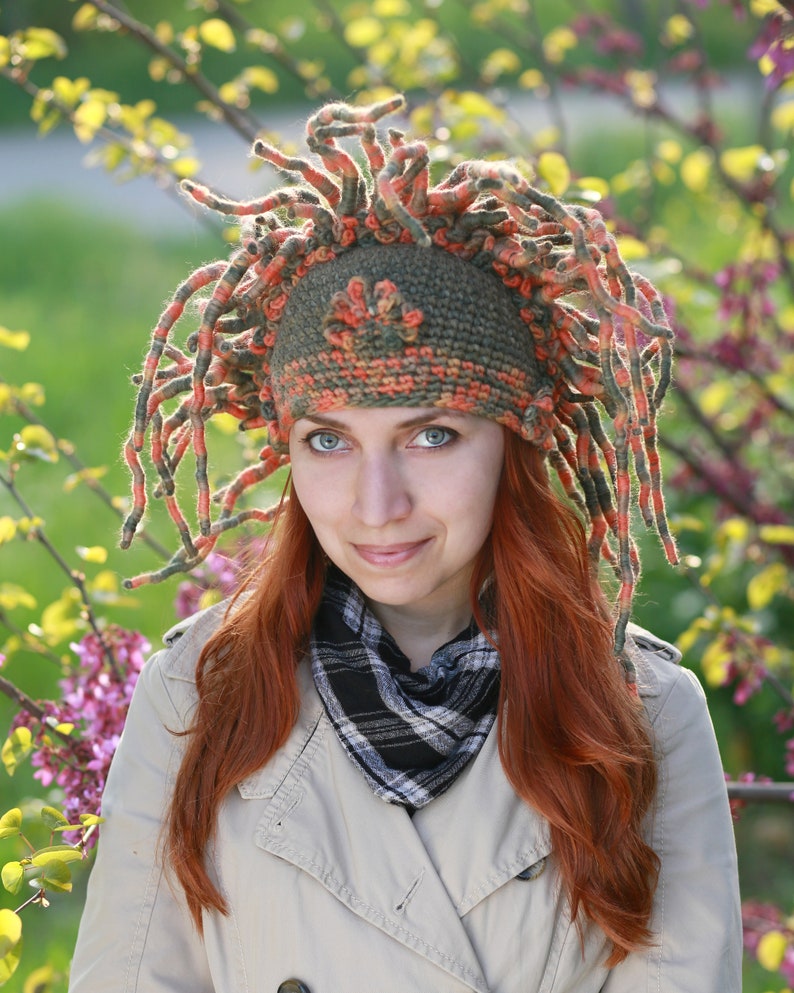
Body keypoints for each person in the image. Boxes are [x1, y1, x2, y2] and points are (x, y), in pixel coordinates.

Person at [68, 95, 741, 993]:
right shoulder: (199, 698)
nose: (376, 505)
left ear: (515, 437)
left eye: (432, 435)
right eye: (329, 440)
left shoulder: (642, 713)